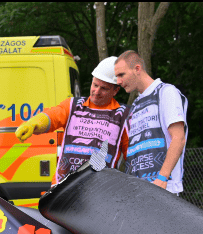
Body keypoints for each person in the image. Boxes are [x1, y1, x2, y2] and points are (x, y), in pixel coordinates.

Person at [15, 56, 129, 184]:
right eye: (95, 85)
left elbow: (132, 155)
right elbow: (52, 116)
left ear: (116, 90)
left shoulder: (123, 116)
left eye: (103, 88)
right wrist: (33, 124)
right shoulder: (73, 105)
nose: (96, 91)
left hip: (100, 190)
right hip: (63, 186)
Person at [113, 50, 188, 194]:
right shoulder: (135, 105)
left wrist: (162, 178)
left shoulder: (166, 92)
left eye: (121, 75)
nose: (118, 81)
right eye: (117, 76)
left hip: (163, 189)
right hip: (140, 191)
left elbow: (179, 138)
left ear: (137, 69)